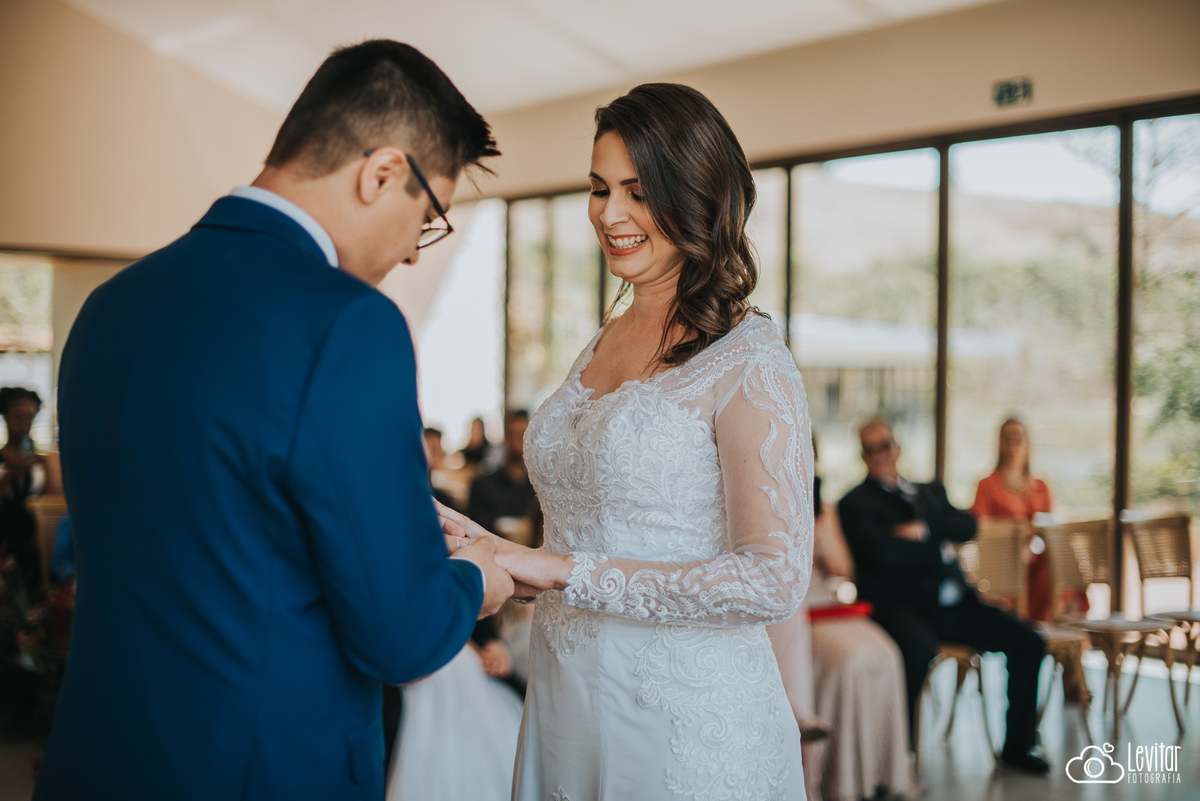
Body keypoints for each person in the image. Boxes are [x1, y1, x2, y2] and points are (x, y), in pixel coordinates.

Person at [36, 40, 514, 801]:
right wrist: (474, 580)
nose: (417, 254)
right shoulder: (347, 323)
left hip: (95, 756)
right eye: (427, 217)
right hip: (259, 769)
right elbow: (402, 633)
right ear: (383, 172)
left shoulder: (112, 304)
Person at [440, 82, 814, 800]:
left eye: (639, 191)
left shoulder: (750, 359)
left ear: (695, 193)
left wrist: (556, 571)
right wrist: (485, 543)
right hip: (566, 697)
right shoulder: (602, 340)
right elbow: (588, 528)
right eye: (599, 187)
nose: (610, 214)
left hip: (685, 720)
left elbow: (773, 576)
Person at [837, 419, 1049, 775]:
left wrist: (923, 530)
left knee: (1029, 641)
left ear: (897, 446)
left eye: (885, 445)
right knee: (914, 651)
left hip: (956, 604)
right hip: (905, 609)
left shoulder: (930, 491)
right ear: (863, 456)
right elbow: (882, 553)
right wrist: (941, 549)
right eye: (872, 449)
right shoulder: (855, 502)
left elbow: (968, 526)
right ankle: (895, 760)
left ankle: (1019, 745)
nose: (881, 454)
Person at [971, 417, 1083, 621]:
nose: (1013, 445)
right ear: (999, 443)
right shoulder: (987, 485)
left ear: (1028, 444)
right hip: (1003, 565)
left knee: (1064, 562)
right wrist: (1014, 528)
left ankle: (1063, 632)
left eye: (1018, 438)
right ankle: (1041, 632)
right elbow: (979, 528)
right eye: (1007, 439)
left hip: (1033, 557)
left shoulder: (1041, 485)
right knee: (1049, 570)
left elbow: (1051, 527)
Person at [0, 387, 48, 603]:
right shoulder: (2, 458)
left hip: (35, 541)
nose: (24, 424)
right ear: (6, 417)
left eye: (30, 418)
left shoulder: (40, 461)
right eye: (18, 417)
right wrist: (12, 473)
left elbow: (50, 505)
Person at [466, 409, 537, 538]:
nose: (519, 441)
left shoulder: (538, 488)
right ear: (506, 437)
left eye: (524, 435)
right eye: (514, 434)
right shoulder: (483, 486)